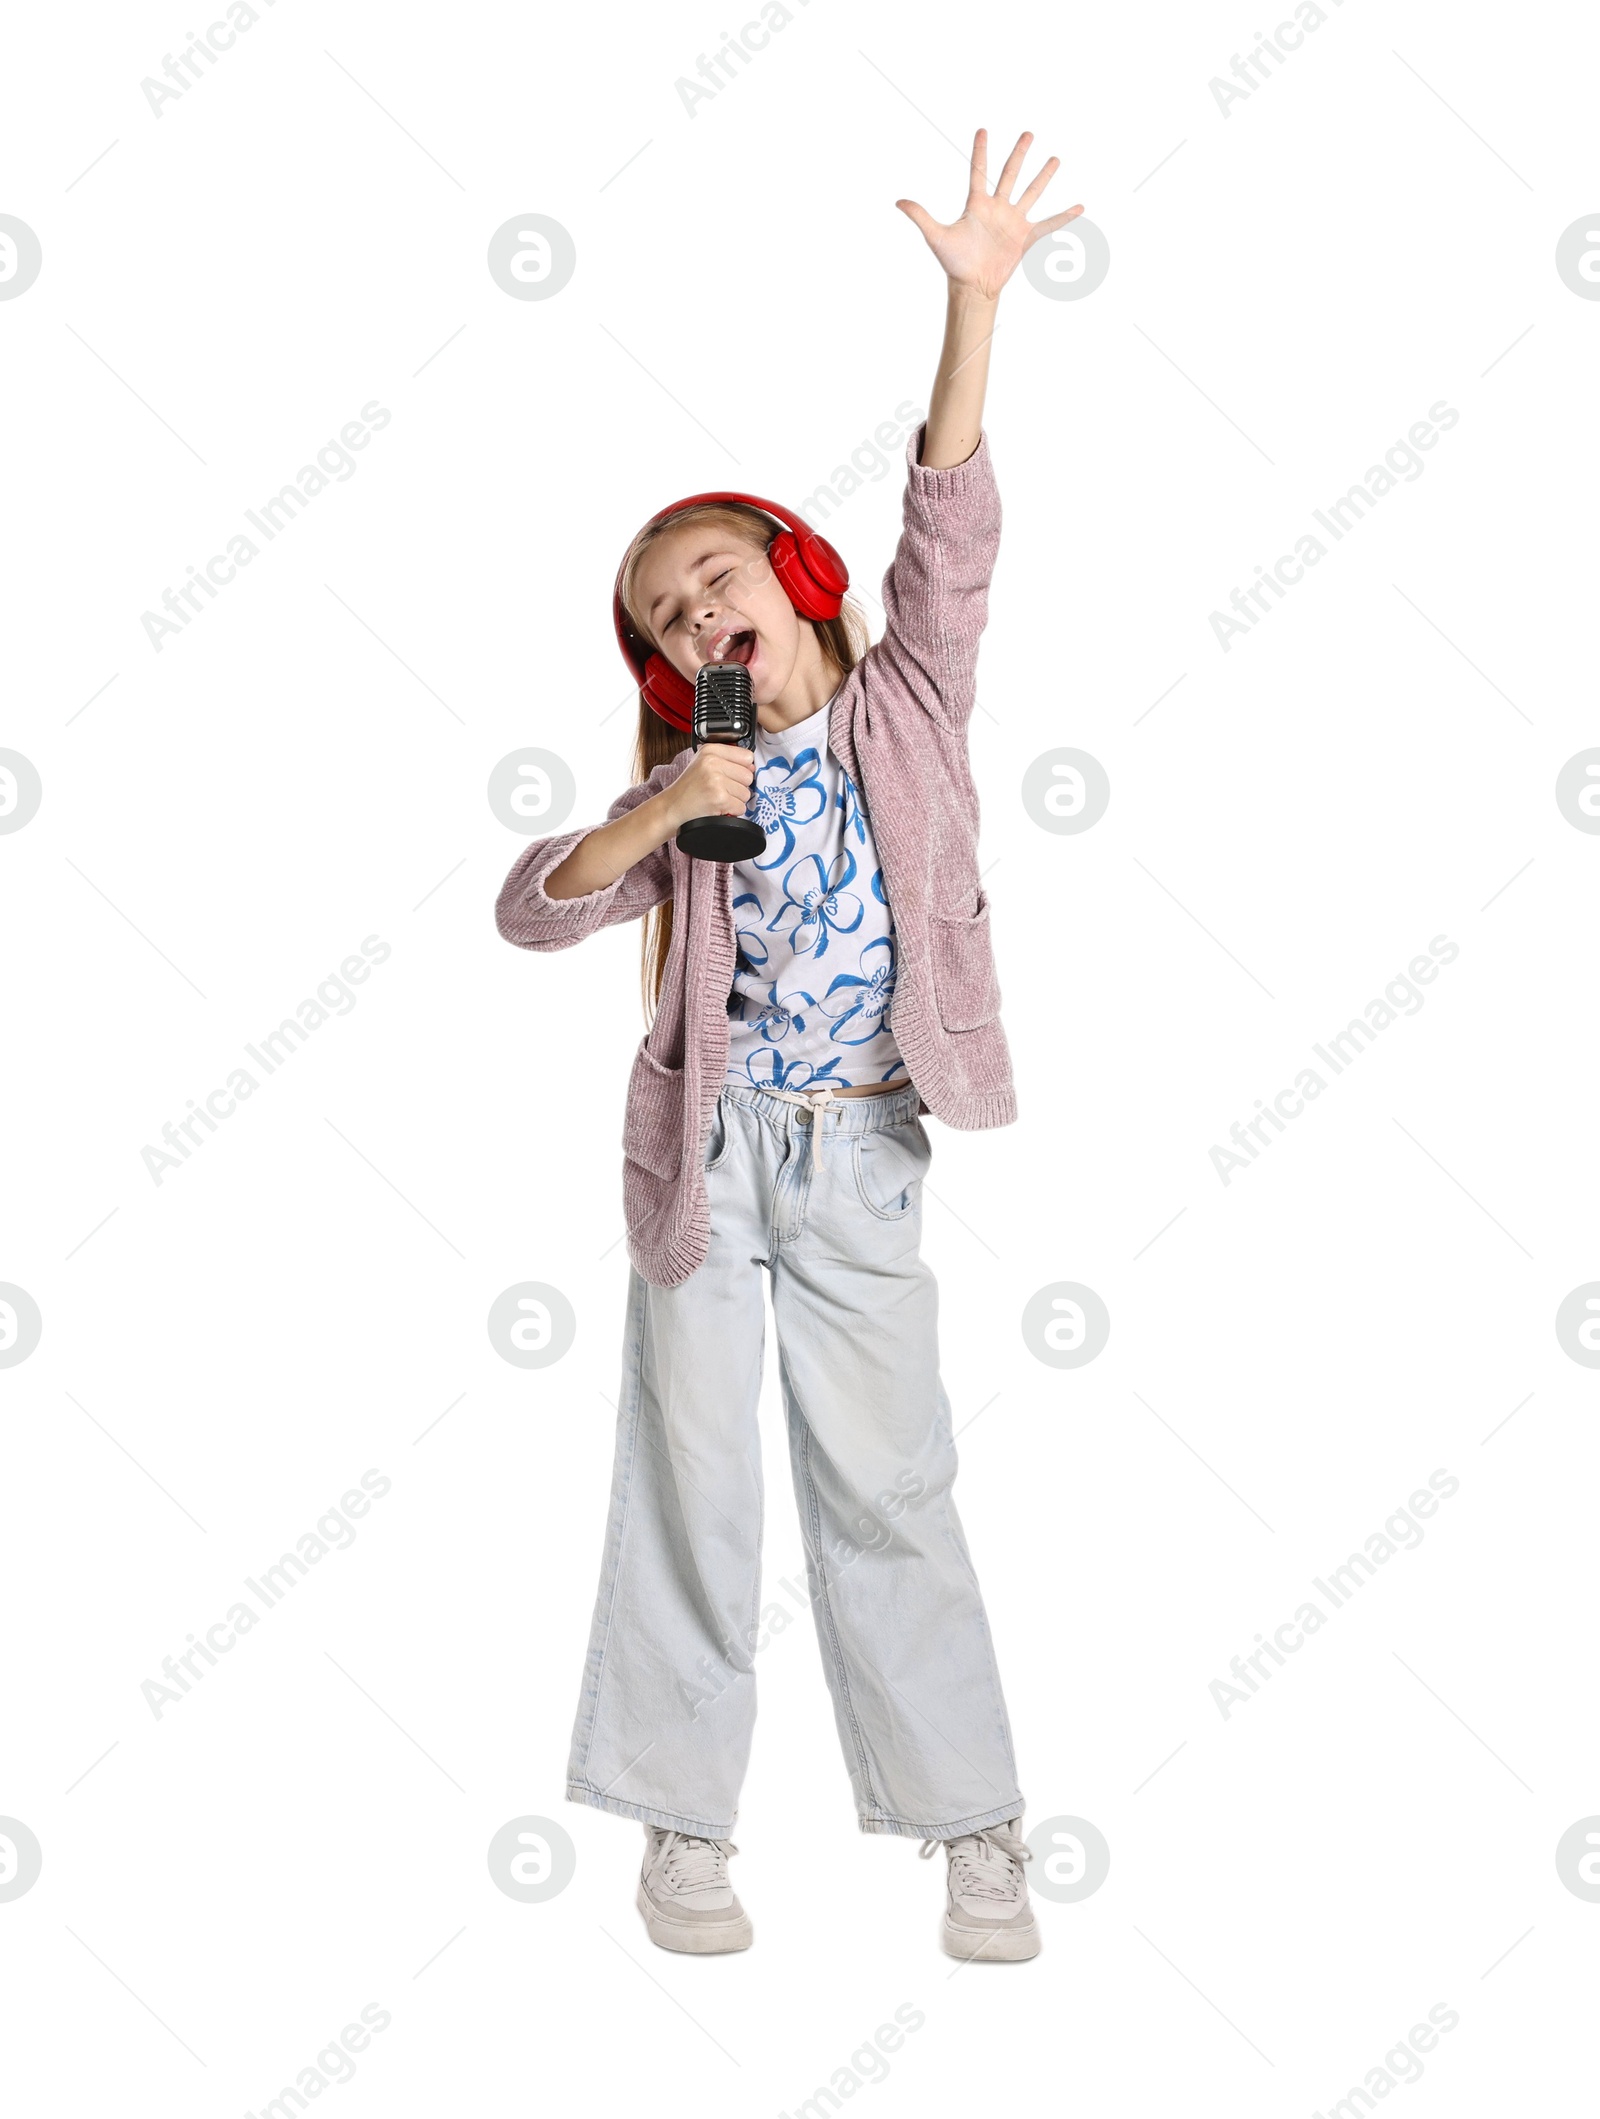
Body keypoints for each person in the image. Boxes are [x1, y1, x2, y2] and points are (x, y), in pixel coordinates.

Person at [495, 129, 1082, 1962]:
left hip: (864, 1142)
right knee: (698, 1472)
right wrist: (664, 803)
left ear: (792, 572)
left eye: (712, 574)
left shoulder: (909, 695)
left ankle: (970, 1826)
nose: (693, 609)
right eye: (668, 616)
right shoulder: (690, 781)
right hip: (708, 1148)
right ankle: (685, 1824)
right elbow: (538, 907)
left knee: (889, 1478)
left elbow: (955, 528)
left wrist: (974, 301)